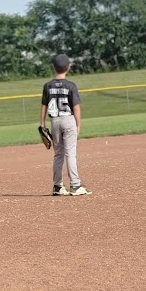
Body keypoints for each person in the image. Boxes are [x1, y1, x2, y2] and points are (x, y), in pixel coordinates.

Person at [40, 54, 91, 196]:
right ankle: (75, 185)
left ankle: (57, 186)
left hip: (54, 120)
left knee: (58, 155)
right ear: (68, 67)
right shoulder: (70, 85)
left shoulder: (48, 86)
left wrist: (42, 124)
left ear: (54, 67)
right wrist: (78, 125)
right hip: (68, 120)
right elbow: (76, 108)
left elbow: (44, 106)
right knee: (70, 153)